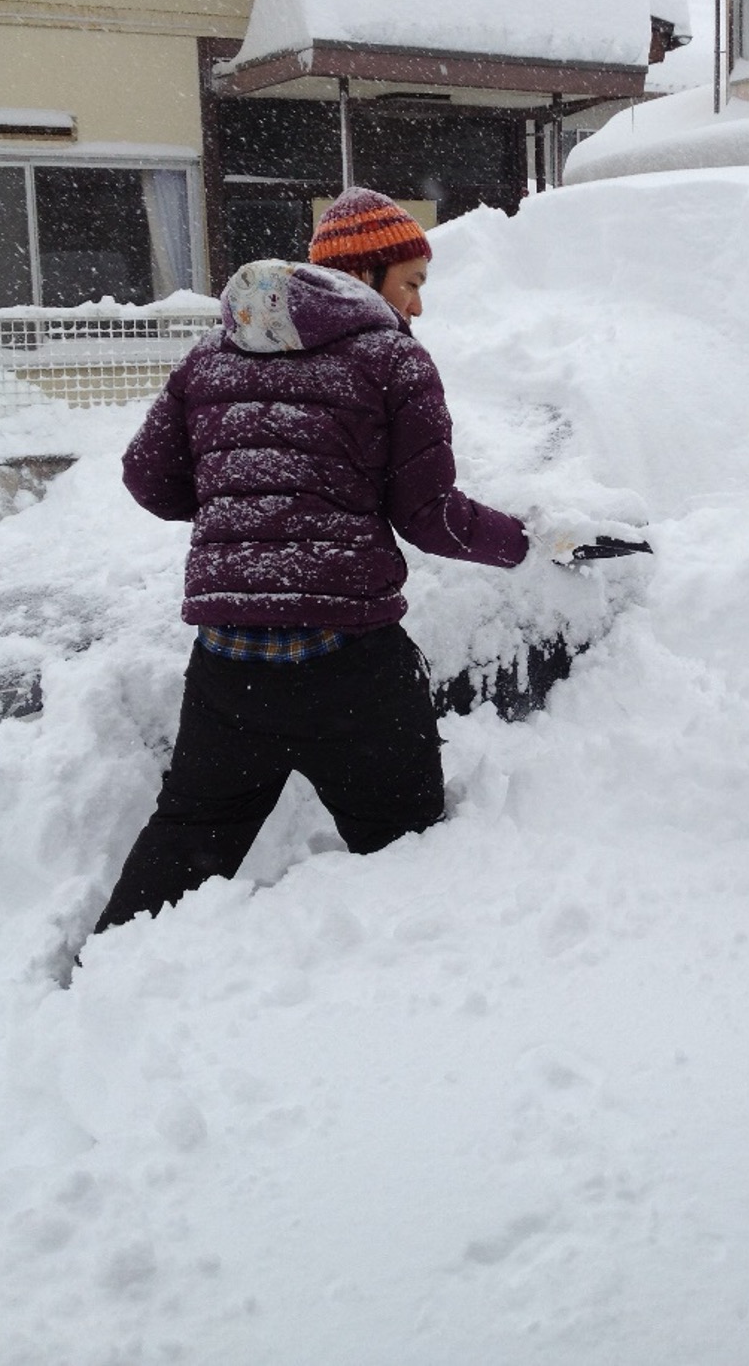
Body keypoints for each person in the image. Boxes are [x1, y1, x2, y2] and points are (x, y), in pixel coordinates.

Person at [94, 186, 535, 933]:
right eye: (412, 284)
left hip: (229, 672)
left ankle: (96, 985)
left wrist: (238, 503)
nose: (418, 307)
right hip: (350, 670)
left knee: (186, 842)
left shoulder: (211, 356)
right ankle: (410, 1014)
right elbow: (427, 516)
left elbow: (146, 477)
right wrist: (523, 542)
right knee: (415, 859)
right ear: (363, 276)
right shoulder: (392, 360)